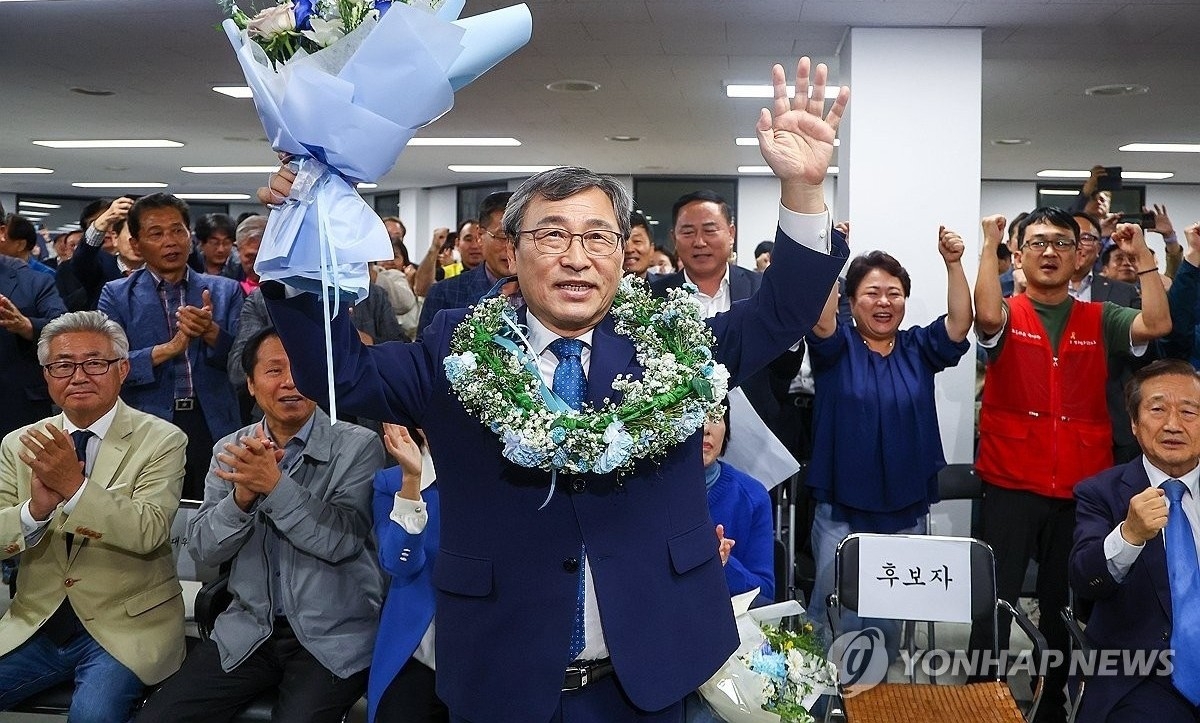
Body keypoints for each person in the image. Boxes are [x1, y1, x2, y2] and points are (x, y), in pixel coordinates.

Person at [258, 56, 848, 723]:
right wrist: (297, 241)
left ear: (623, 255)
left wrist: (803, 189)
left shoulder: (676, 346)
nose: (576, 256)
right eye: (552, 235)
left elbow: (782, 310)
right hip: (503, 671)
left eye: (598, 237)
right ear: (512, 251)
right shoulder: (454, 350)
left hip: (650, 671)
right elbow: (339, 372)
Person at [972, 209, 1172, 723]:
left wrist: (1144, 257)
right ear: (1019, 254)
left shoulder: (1101, 317)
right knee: (994, 599)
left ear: (1079, 254)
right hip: (1011, 480)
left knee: (1064, 603)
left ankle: (1053, 701)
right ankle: (980, 695)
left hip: (1081, 486)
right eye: (1037, 242)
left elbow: (1157, 323)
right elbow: (986, 317)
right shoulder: (1009, 312)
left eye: (1062, 242)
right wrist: (988, 244)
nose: (1049, 252)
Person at [137, 328, 385, 723]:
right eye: (274, 370)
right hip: (249, 628)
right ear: (251, 385)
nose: (289, 382)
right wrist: (241, 499)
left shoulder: (359, 446)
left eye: (301, 369)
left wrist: (274, 485)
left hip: (334, 633)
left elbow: (341, 540)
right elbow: (203, 549)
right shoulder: (230, 450)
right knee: (159, 718)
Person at [0, 310, 187, 721]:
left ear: (123, 370)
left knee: (93, 716)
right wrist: (35, 511)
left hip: (127, 627)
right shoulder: (18, 444)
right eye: (63, 365)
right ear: (47, 376)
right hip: (37, 621)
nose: (79, 376)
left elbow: (149, 531)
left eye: (95, 363)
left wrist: (75, 488)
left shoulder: (162, 439)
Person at [805, 231, 972, 653]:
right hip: (841, 504)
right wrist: (831, 256)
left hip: (903, 505)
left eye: (894, 294)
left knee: (887, 613)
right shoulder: (837, 346)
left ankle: (878, 684)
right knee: (830, 606)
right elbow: (820, 319)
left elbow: (959, 325)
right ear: (851, 300)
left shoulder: (918, 346)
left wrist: (953, 263)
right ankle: (818, 687)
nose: (884, 302)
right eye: (872, 293)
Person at [1071, 359, 1200, 722]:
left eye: (1189, 412)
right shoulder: (1101, 493)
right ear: (1133, 422)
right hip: (1140, 676)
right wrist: (1129, 535)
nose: (1173, 424)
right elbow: (1084, 579)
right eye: (1157, 410)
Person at [97, 192, 245, 500]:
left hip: (212, 422)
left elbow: (244, 363)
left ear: (190, 237)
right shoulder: (116, 294)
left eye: (178, 230)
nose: (170, 241)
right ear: (136, 244)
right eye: (156, 233)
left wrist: (211, 332)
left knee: (216, 508)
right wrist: (168, 349)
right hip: (146, 420)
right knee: (149, 510)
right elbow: (107, 366)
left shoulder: (225, 291)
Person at [370, 423, 447, 723]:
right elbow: (398, 563)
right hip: (417, 649)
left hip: (486, 653)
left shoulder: (502, 479)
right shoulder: (391, 481)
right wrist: (412, 482)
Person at [701, 404, 773, 607]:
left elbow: (766, 593)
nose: (706, 429)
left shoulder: (753, 496)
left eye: (716, 417)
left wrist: (724, 562)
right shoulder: (649, 494)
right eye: (695, 416)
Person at [416, 192, 515, 338]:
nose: (511, 247)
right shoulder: (445, 293)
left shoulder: (542, 292)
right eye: (502, 237)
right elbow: (426, 350)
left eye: (520, 236)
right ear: (480, 236)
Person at [0, 233, 67, 437]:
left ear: (2, 232)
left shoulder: (34, 281)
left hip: (17, 410)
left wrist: (27, 326)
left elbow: (64, 328)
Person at [622, 212, 655, 280]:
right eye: (622, 241)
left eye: (637, 241)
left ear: (652, 250)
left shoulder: (666, 285)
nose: (629, 249)